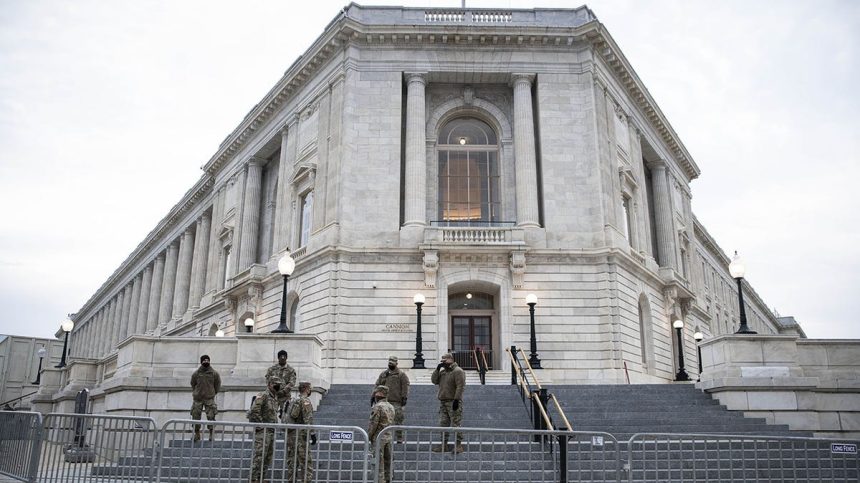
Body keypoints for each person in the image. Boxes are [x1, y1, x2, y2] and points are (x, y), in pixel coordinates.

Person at [247, 376, 282, 483]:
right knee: (259, 455)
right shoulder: (263, 395)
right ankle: (253, 479)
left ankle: (260, 478)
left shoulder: (274, 397)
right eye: (275, 384)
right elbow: (254, 411)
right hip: (263, 431)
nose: (277, 386)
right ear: (269, 384)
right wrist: (261, 424)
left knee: (267, 456)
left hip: (271, 430)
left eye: (278, 384)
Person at [431, 352, 466, 453]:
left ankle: (458, 445)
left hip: (453, 401)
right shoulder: (442, 372)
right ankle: (443, 445)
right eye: (442, 362)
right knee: (443, 424)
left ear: (451, 359)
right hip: (443, 402)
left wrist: (456, 399)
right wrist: (437, 369)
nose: (443, 363)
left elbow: (460, 386)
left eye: (445, 361)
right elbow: (434, 381)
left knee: (456, 424)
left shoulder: (458, 371)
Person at [373, 355, 410, 442]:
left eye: (392, 363)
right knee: (383, 420)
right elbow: (377, 385)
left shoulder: (401, 374)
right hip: (384, 401)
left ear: (396, 364)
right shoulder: (384, 374)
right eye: (389, 363)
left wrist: (404, 397)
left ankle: (399, 438)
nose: (390, 365)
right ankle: (384, 436)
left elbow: (405, 386)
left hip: (396, 401)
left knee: (398, 420)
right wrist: (374, 394)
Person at [285, 382, 316, 483]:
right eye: (310, 388)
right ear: (306, 389)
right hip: (301, 437)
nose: (310, 390)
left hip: (291, 435)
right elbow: (308, 419)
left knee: (292, 462)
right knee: (306, 462)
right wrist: (312, 434)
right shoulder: (305, 401)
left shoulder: (294, 400)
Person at [190, 354, 221, 442]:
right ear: (201, 362)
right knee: (195, 416)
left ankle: (211, 434)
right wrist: (197, 392)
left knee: (211, 417)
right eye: (204, 360)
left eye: (207, 360)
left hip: (209, 399)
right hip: (198, 399)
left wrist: (212, 393)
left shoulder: (214, 373)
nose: (206, 362)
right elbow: (193, 384)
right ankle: (197, 434)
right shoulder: (196, 373)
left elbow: (217, 385)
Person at [368, 385, 395, 483]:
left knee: (379, 464)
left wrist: (369, 436)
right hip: (388, 437)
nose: (374, 394)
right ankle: (388, 480)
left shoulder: (378, 407)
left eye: (376, 392)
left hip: (379, 438)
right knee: (388, 463)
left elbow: (373, 424)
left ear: (380, 394)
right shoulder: (391, 406)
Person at [265, 349, 297, 421]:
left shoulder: (291, 370)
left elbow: (292, 382)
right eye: (281, 357)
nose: (283, 359)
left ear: (286, 358)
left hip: (285, 396)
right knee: (270, 414)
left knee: (286, 416)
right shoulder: (272, 369)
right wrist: (273, 390)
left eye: (284, 357)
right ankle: (270, 430)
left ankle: (285, 430)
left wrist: (284, 391)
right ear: (278, 358)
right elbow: (268, 381)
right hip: (273, 396)